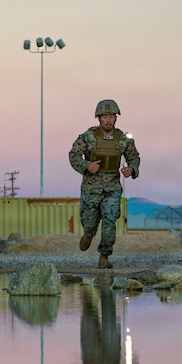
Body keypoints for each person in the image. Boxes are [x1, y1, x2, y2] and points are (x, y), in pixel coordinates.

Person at [68, 99, 141, 269]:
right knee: (89, 222)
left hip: (112, 189)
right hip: (91, 188)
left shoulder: (123, 139)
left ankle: (104, 256)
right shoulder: (88, 137)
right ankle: (88, 234)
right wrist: (87, 165)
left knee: (110, 221)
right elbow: (74, 155)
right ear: (98, 118)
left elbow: (134, 157)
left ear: (116, 118)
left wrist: (132, 169)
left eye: (111, 116)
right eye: (104, 117)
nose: (108, 120)